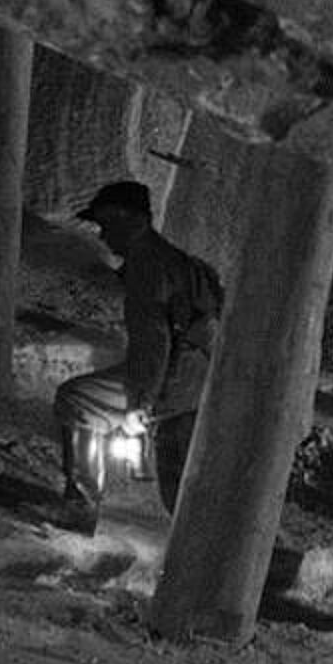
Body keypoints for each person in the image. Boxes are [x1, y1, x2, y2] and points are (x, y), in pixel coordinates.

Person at [53, 180, 223, 528]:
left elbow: (153, 340)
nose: (103, 236)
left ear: (128, 219)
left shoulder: (148, 266)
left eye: (105, 224)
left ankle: (80, 509)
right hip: (202, 374)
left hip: (175, 379)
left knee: (77, 400)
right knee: (179, 484)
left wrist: (141, 403)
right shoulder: (179, 261)